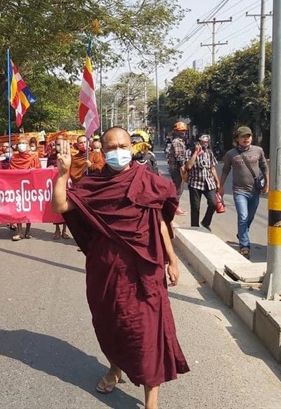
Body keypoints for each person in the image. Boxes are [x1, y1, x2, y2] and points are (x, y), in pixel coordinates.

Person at [52, 127, 189, 408]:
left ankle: (152, 400)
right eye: (111, 147)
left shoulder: (149, 182)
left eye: (123, 145)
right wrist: (62, 173)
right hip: (106, 269)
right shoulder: (93, 185)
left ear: (132, 147)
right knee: (110, 323)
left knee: (149, 330)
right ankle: (115, 368)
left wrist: (172, 260)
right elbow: (60, 205)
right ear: (101, 150)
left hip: (145, 267)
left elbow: (160, 223)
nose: (118, 152)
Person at [218, 126, 269, 259]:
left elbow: (264, 167)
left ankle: (242, 233)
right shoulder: (231, 154)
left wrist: (267, 184)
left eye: (248, 136)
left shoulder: (258, 150)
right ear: (237, 139)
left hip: (255, 190)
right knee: (243, 216)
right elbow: (225, 170)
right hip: (239, 191)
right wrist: (221, 186)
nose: (246, 139)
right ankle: (244, 246)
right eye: (243, 136)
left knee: (250, 217)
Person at [184, 134, 220, 231]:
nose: (205, 144)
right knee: (195, 207)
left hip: (209, 182)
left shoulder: (209, 152)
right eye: (202, 142)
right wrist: (195, 153)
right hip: (195, 183)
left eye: (206, 142)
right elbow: (188, 166)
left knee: (213, 203)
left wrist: (217, 182)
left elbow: (212, 168)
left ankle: (205, 222)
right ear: (197, 142)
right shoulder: (189, 152)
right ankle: (195, 227)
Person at [10, 137, 41, 240]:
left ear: (27, 146)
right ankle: (19, 232)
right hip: (17, 187)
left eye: (23, 143)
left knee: (28, 209)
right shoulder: (14, 158)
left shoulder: (34, 157)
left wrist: (34, 171)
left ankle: (27, 231)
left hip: (29, 188)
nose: (21, 145)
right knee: (18, 209)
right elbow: (9, 172)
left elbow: (39, 170)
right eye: (19, 143)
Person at [47, 135, 70, 240]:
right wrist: (50, 168)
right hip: (54, 184)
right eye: (57, 144)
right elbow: (46, 171)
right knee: (56, 208)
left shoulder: (69, 156)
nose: (58, 146)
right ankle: (57, 229)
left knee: (65, 209)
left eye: (60, 144)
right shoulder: (51, 157)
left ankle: (65, 230)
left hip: (66, 184)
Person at [167, 121, 189, 215]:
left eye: (184, 131)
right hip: (177, 168)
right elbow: (179, 156)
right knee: (178, 189)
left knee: (180, 188)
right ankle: (175, 207)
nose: (182, 132)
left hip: (178, 168)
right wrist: (183, 167)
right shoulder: (176, 142)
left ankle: (175, 206)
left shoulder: (180, 141)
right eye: (180, 131)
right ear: (176, 131)